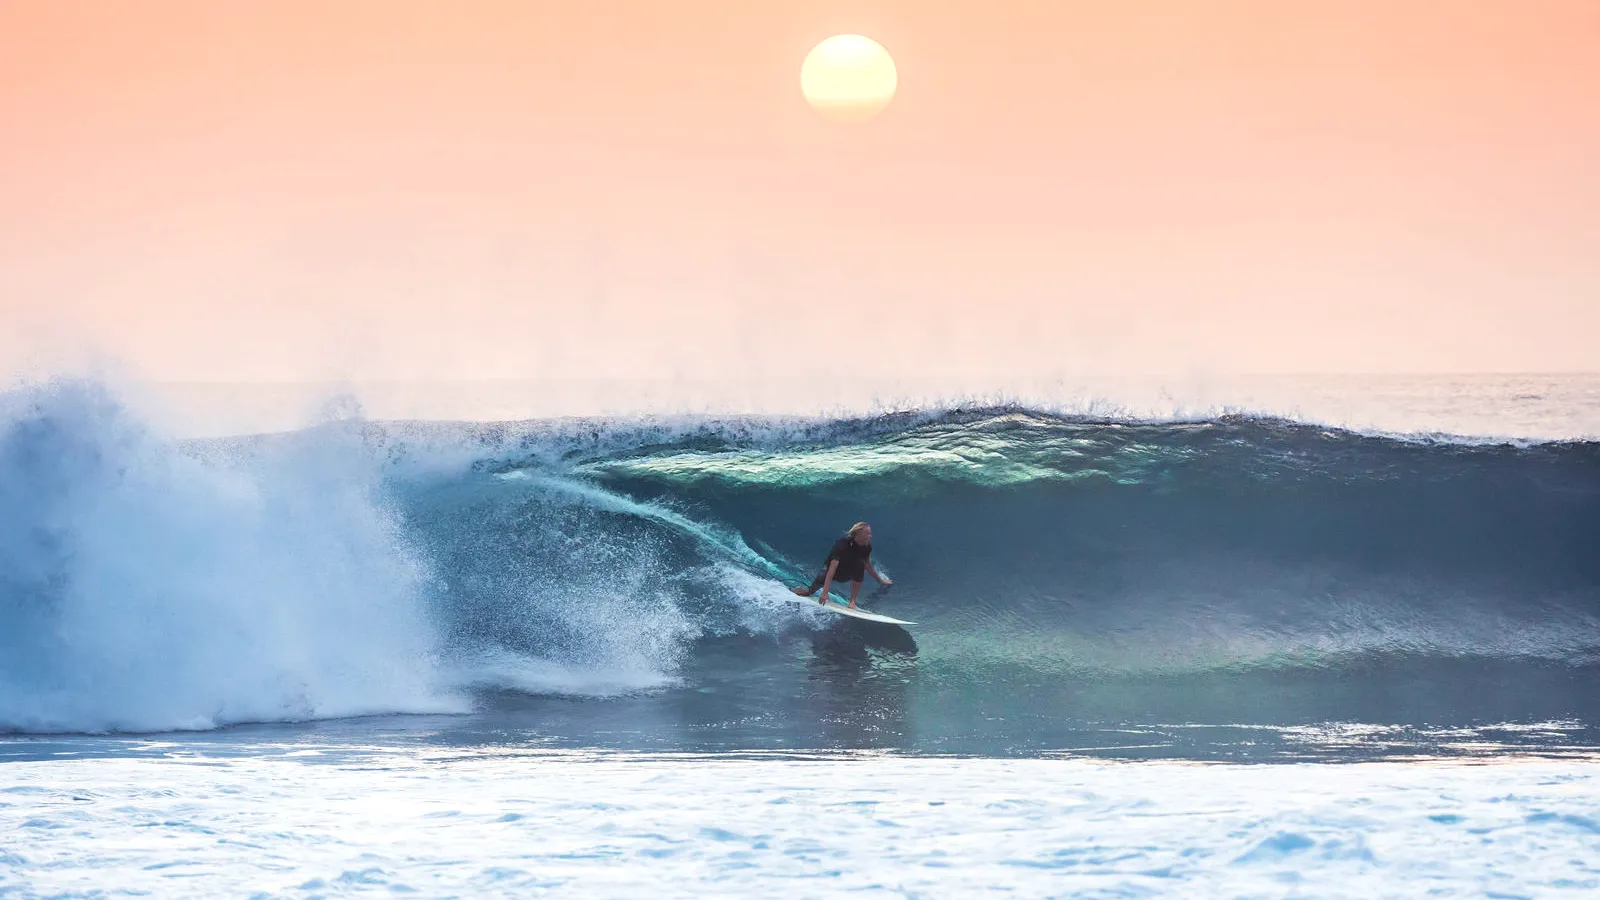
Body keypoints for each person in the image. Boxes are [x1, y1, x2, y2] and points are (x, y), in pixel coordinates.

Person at [792, 521, 892, 610]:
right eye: (867, 533)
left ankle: (852, 601)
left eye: (870, 533)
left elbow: (868, 565)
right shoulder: (842, 544)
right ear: (858, 533)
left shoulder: (866, 546)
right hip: (832, 571)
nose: (870, 536)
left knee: (861, 565)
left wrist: (880, 580)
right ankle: (808, 591)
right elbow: (832, 567)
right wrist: (825, 592)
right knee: (822, 576)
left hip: (847, 573)